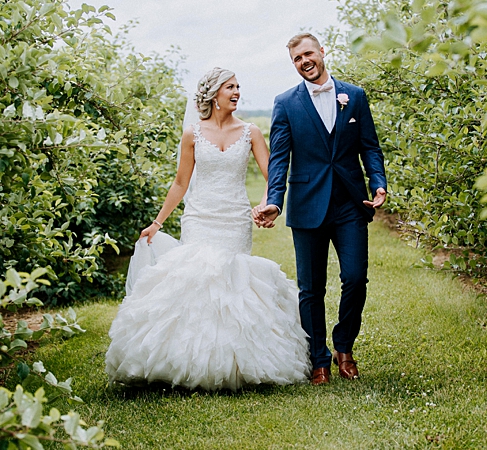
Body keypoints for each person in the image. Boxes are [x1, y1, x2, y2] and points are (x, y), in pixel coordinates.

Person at [105, 67, 310, 390]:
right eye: (231, 87)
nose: (237, 92)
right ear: (215, 94)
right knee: (197, 280)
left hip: (235, 218)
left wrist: (265, 204)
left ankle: (236, 362)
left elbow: (273, 175)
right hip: (200, 216)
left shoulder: (251, 132)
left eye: (239, 86)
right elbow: (180, 182)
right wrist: (157, 222)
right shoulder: (193, 133)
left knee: (231, 282)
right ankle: (185, 361)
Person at [253, 34, 387, 385]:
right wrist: (274, 200)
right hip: (307, 203)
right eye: (296, 59)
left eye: (308, 54)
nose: (304, 62)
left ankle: (345, 347)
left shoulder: (354, 96)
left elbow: (369, 146)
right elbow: (280, 158)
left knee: (356, 278)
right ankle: (319, 360)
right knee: (311, 289)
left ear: (322, 52)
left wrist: (379, 182)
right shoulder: (285, 103)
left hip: (349, 203)